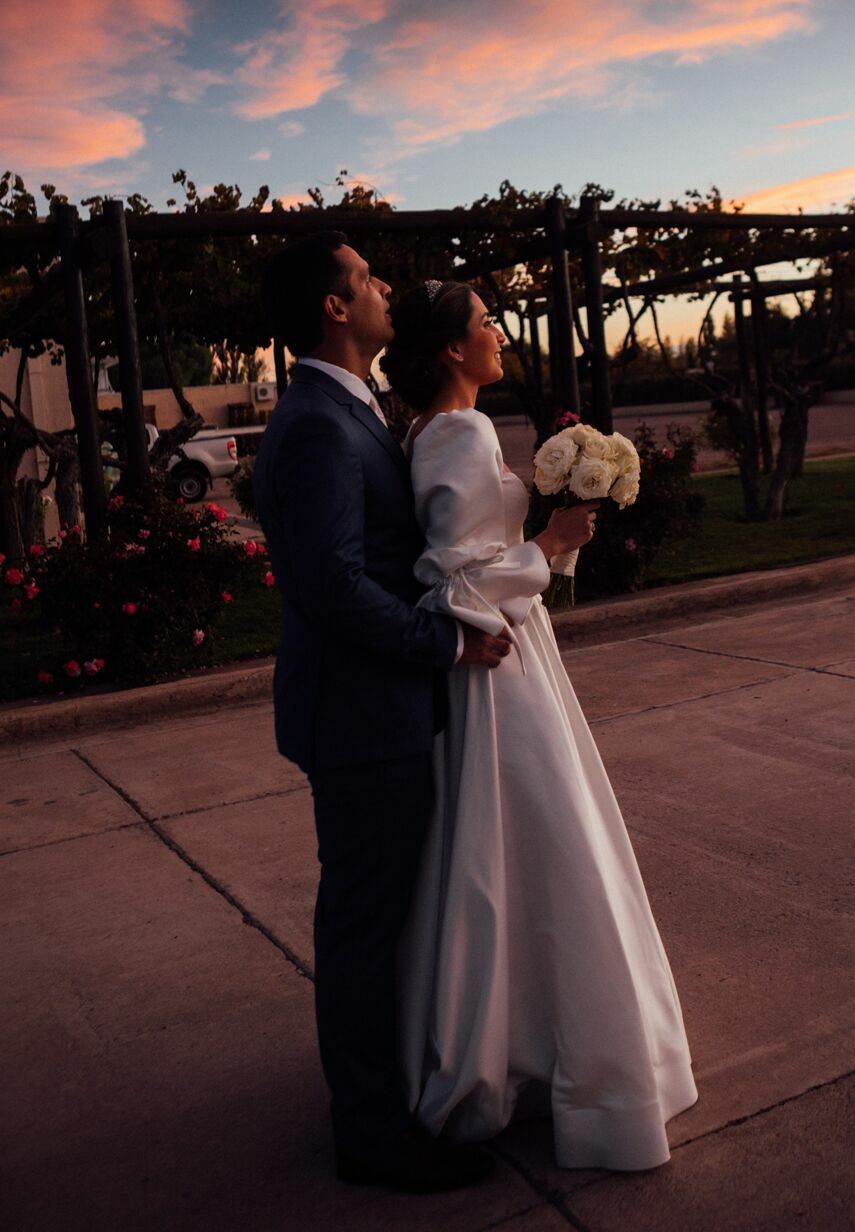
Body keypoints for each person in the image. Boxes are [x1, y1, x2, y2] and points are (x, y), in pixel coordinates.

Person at [384, 279, 698, 1171]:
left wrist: (547, 545)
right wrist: (551, 543)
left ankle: (520, 1043)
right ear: (452, 348)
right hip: (497, 676)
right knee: (541, 850)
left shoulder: (442, 430)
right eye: (484, 323)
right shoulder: (457, 431)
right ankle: (567, 1066)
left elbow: (474, 564)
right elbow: (454, 583)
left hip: (517, 656)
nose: (496, 333)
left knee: (515, 861)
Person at [253, 233, 513, 1196]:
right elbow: (330, 584)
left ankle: (388, 1085)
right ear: (333, 307)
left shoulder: (352, 408)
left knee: (384, 918)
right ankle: (369, 1134)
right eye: (365, 277)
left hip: (381, 711)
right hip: (363, 718)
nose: (383, 287)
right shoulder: (320, 422)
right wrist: (446, 643)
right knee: (364, 927)